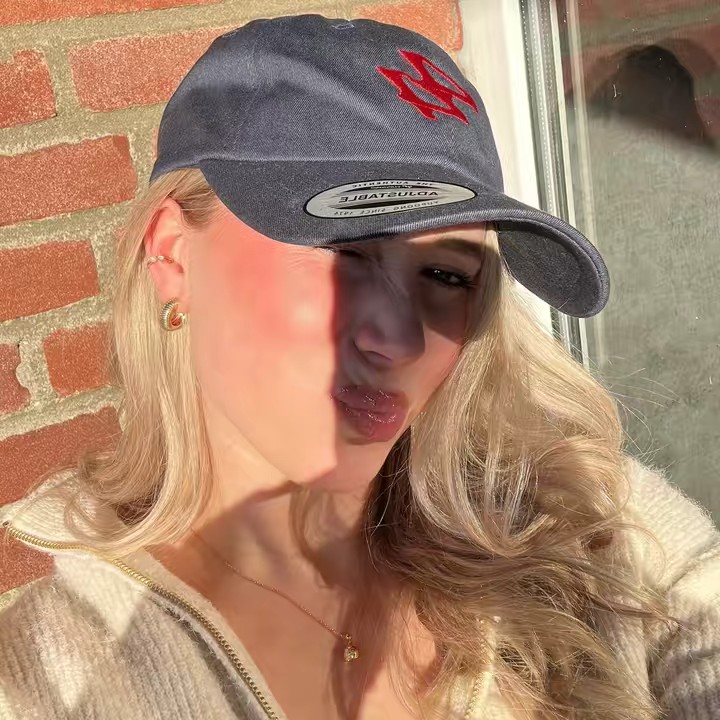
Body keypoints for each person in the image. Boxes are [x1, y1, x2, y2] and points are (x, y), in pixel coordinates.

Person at [0, 13, 718, 720]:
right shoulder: (50, 680)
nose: (401, 340)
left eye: (447, 276)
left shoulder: (565, 515)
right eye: (347, 254)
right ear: (172, 256)